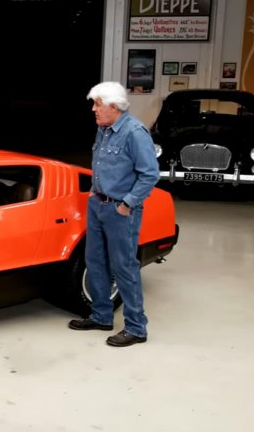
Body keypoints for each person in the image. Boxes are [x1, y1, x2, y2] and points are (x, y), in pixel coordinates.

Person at [68, 81, 159, 347]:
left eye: (97, 104)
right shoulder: (104, 129)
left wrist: (127, 204)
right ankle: (101, 316)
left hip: (120, 210)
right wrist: (94, 194)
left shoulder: (135, 133)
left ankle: (136, 328)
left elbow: (150, 174)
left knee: (124, 267)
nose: (93, 110)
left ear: (113, 106)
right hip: (97, 204)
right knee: (95, 260)